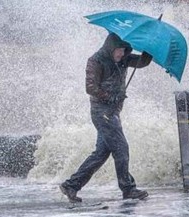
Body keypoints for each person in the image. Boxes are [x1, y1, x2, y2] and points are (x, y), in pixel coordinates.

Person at [60, 33, 153, 202]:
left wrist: (149, 49)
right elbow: (90, 87)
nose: (121, 54)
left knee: (101, 153)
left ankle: (71, 185)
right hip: (101, 112)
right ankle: (128, 188)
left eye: (124, 50)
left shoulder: (124, 58)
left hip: (113, 112)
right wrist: (109, 96)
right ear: (111, 47)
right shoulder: (96, 61)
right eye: (118, 50)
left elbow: (142, 62)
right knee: (121, 148)